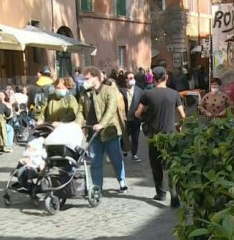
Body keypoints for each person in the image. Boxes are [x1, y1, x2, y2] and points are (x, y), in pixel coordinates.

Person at [135, 66, 185, 205]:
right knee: (172, 166)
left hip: (154, 135)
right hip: (170, 135)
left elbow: (138, 113)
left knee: (156, 166)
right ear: (166, 78)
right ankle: (174, 195)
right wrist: (179, 126)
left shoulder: (148, 94)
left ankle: (161, 193)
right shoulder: (174, 94)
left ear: (154, 79)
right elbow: (183, 115)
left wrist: (146, 119)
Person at [77, 66, 128, 194]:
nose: (85, 81)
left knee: (116, 159)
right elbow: (80, 111)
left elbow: (111, 109)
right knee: (95, 161)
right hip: (93, 134)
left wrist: (102, 124)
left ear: (96, 78)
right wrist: (78, 123)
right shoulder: (84, 94)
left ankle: (121, 181)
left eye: (88, 78)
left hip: (109, 132)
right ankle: (97, 187)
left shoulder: (109, 90)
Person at [120, 71, 144, 161]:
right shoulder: (121, 90)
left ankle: (134, 154)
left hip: (136, 118)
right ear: (126, 79)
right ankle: (125, 149)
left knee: (135, 137)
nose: (132, 80)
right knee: (124, 136)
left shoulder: (139, 91)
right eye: (130, 78)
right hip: (125, 118)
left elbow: (142, 103)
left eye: (133, 78)